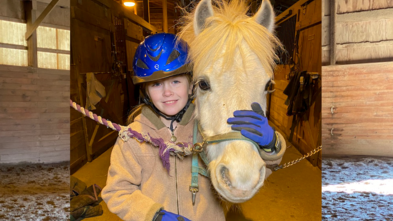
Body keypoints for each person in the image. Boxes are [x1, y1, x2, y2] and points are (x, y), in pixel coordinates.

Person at [101, 33, 283, 221]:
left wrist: (270, 146)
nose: (167, 92)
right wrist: (153, 216)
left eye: (176, 81)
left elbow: (246, 173)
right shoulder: (132, 137)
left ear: (191, 85)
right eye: (156, 84)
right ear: (146, 91)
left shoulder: (210, 129)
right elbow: (117, 191)